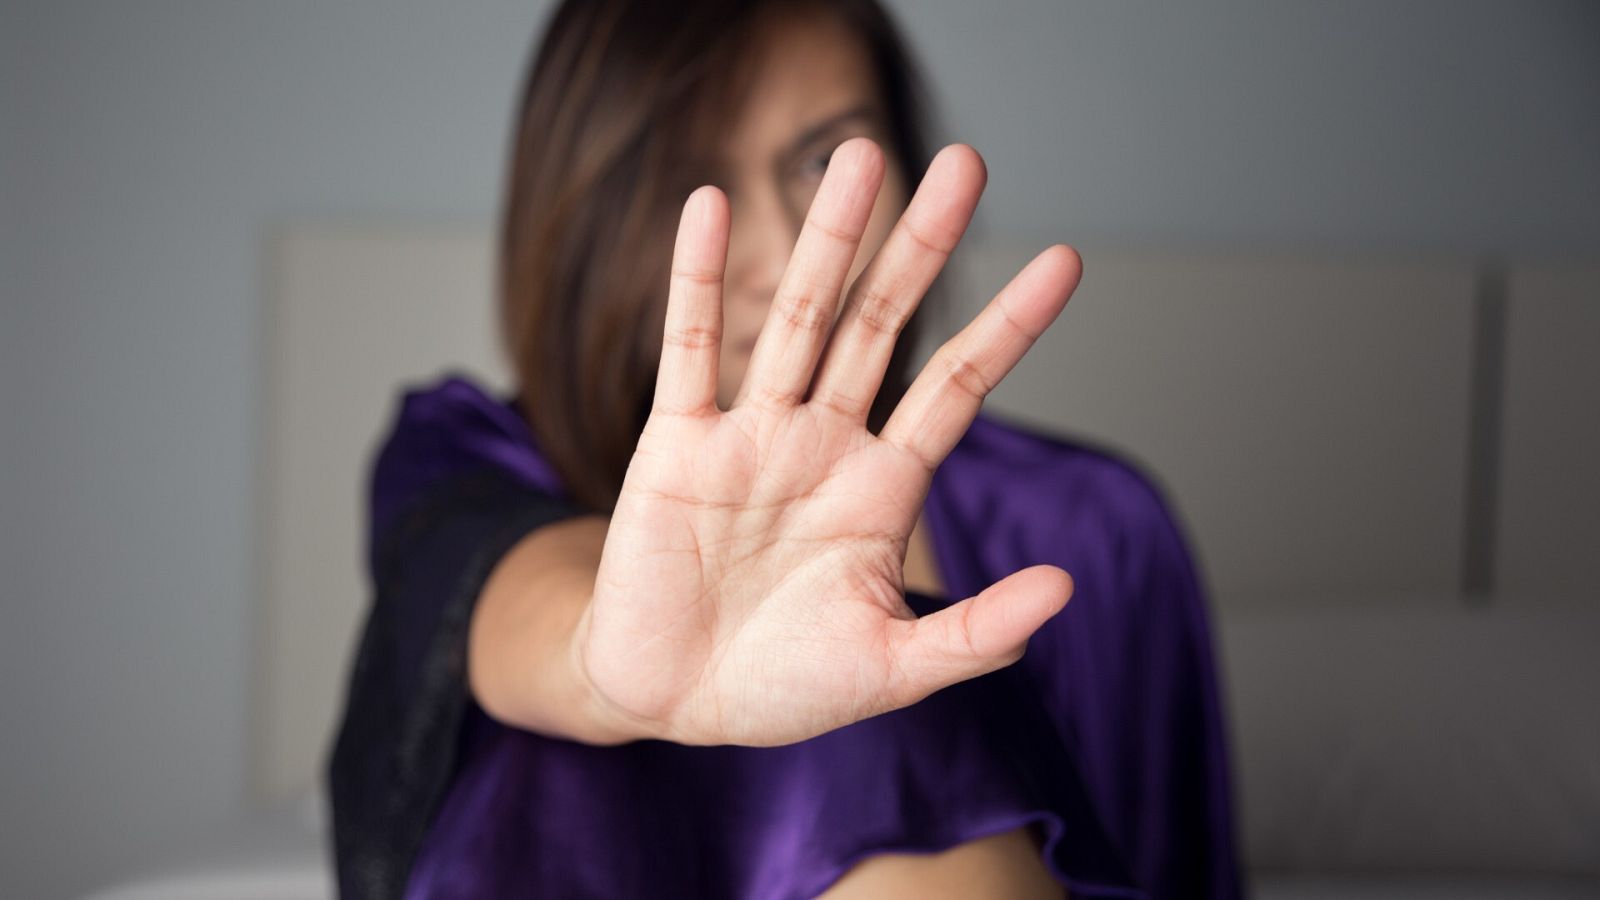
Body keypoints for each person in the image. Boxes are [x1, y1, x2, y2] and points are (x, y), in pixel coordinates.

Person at [327, 1, 1241, 898]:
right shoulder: (463, 452)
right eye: (687, 182)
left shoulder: (1093, 526)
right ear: (578, 211)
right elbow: (516, 601)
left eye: (820, 162)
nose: (775, 252)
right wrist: (604, 674)